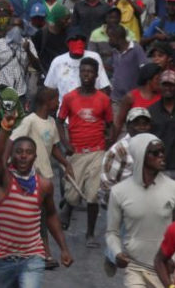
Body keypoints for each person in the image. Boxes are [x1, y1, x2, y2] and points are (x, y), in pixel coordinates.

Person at [0, 110, 73, 287]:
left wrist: (63, 248)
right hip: (4, 259)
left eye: (28, 152)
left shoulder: (43, 185)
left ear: (35, 157)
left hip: (32, 257)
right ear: (12, 156)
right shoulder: (4, 180)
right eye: (18, 151)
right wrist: (5, 129)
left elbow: (51, 215)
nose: (23, 155)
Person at [105, 134, 175, 288]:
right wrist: (117, 253)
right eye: (155, 153)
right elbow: (112, 232)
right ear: (141, 155)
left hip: (166, 269)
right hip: (135, 268)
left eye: (162, 151)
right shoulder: (119, 192)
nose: (161, 156)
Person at [57, 57, 113, 244]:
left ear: (96, 75)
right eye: (83, 72)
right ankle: (68, 207)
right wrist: (65, 143)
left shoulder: (103, 99)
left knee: (93, 195)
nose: (86, 75)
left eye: (90, 72)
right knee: (72, 194)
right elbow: (59, 121)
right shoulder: (69, 98)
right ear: (79, 73)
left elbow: (111, 124)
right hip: (76, 152)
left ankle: (89, 233)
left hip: (97, 151)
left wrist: (108, 143)